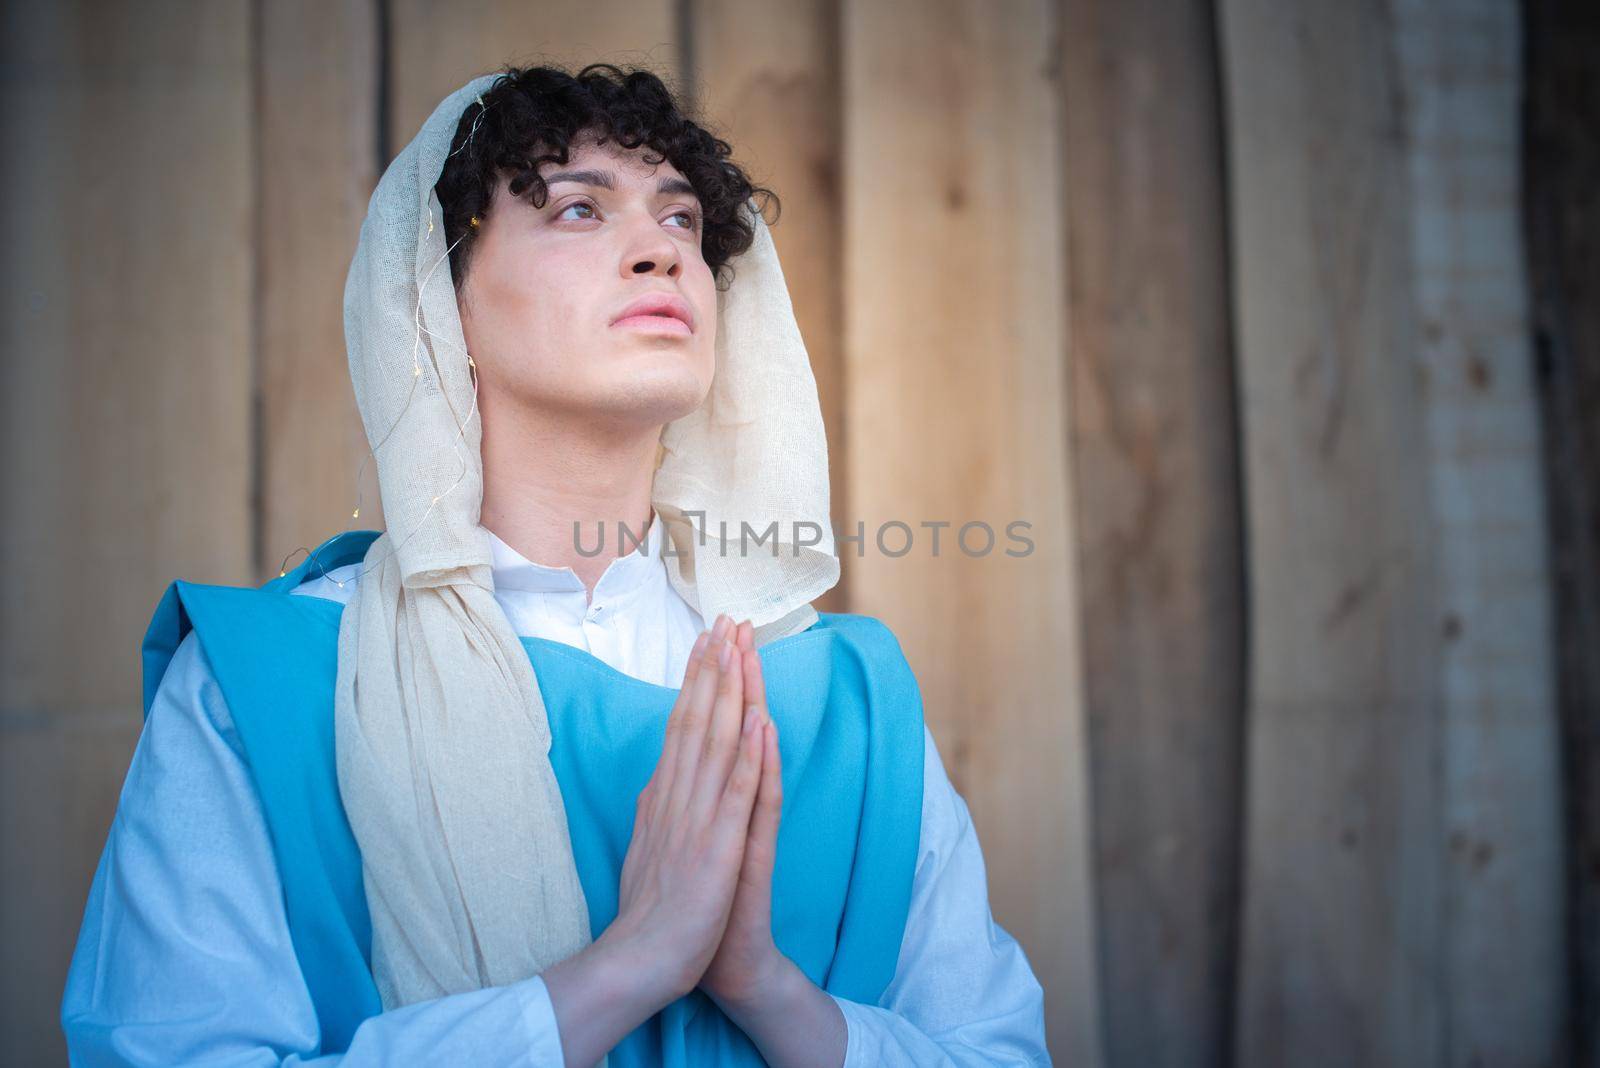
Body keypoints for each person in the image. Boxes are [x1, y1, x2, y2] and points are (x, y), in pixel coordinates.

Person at [60, 63, 1049, 1067]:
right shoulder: (262, 684)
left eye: (682, 224)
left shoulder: (849, 699)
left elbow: (998, 1051)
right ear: (444, 306)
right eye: (578, 209)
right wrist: (629, 964)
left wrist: (763, 985)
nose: (660, 252)